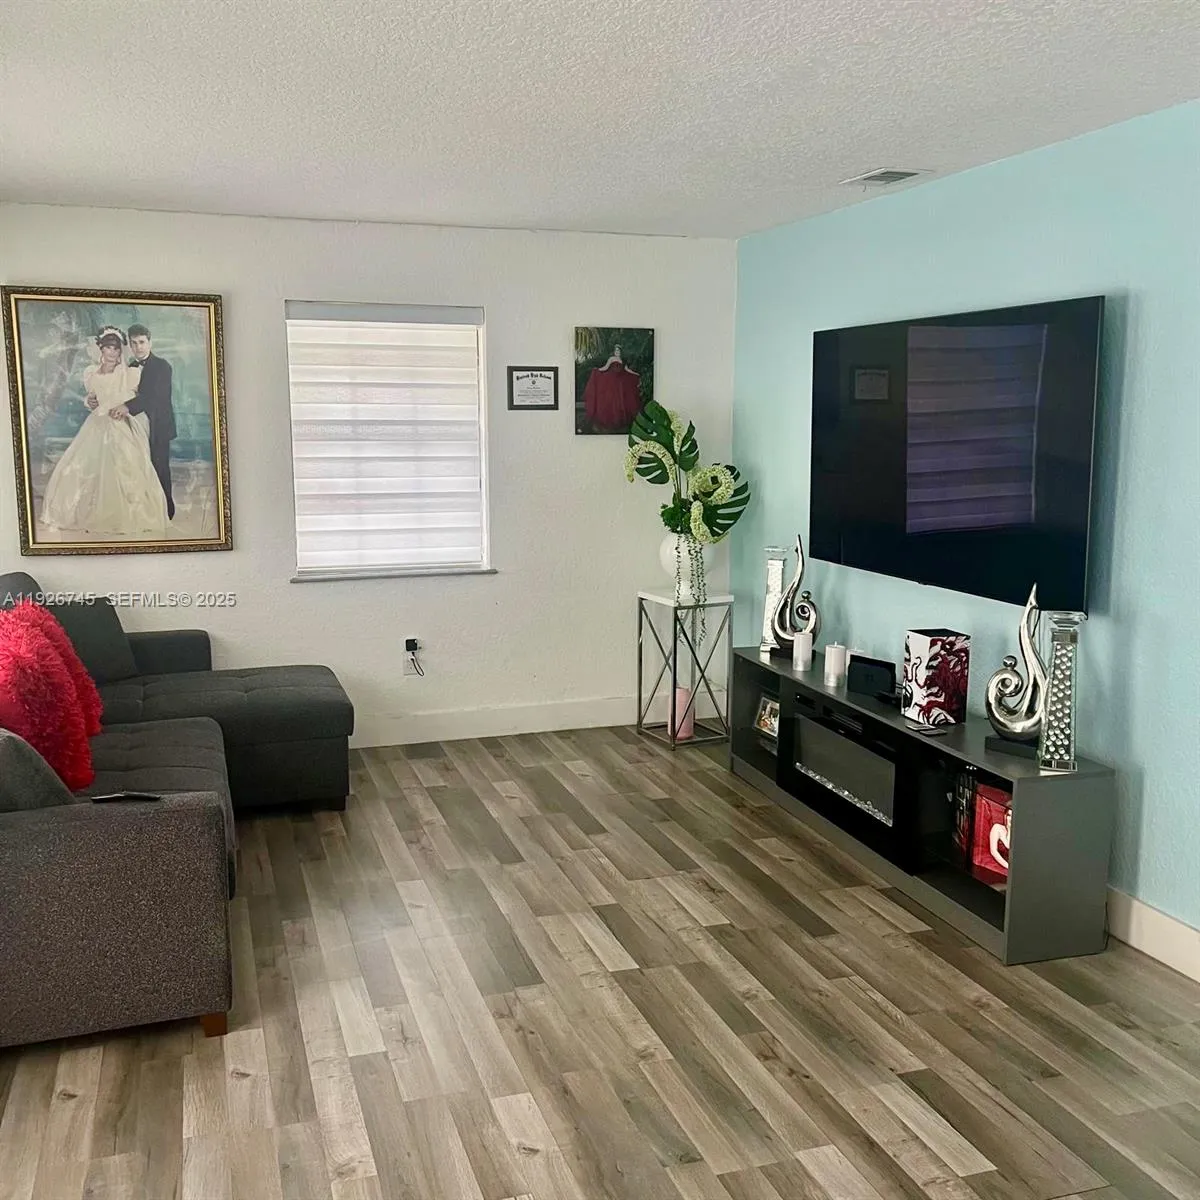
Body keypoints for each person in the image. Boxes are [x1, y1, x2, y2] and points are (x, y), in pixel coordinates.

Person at [41, 327, 168, 537]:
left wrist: (120, 406)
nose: (112, 352)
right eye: (108, 347)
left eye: (116, 348)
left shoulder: (128, 373)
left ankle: (125, 515)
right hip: (96, 424)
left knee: (126, 467)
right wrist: (89, 401)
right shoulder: (91, 372)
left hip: (118, 423)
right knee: (83, 466)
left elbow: (137, 398)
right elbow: (92, 397)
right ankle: (85, 513)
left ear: (120, 351)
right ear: (100, 348)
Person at [111, 322, 177, 519]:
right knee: (138, 466)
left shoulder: (162, 366)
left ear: (150, 342)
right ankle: (146, 509)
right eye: (134, 343)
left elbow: (155, 397)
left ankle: (166, 510)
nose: (138, 347)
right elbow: (121, 392)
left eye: (141, 342)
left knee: (159, 466)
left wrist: (127, 407)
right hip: (135, 424)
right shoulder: (130, 367)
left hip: (158, 425)